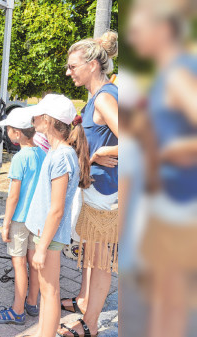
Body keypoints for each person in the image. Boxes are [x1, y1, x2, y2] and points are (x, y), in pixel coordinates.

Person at [127, 3, 197, 336]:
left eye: (139, 27)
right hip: (167, 206)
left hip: (179, 210)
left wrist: (175, 151)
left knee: (169, 304)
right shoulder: (168, 72)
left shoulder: (178, 73)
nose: (132, 34)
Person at [58, 31, 119, 337]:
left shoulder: (106, 97)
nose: (69, 72)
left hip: (104, 194)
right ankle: (87, 311)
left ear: (93, 64)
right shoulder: (99, 95)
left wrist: (102, 153)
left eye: (73, 66)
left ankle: (90, 326)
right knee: (94, 261)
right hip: (96, 190)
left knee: (100, 263)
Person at [24, 94, 91, 337]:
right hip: (45, 233)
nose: (34, 117)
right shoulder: (57, 151)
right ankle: (43, 331)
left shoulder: (62, 156)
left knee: (49, 291)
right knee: (45, 289)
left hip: (48, 235)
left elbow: (57, 208)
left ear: (49, 120)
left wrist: (41, 248)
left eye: (39, 114)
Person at [0, 106, 45, 325]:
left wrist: (5, 224)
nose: (7, 133)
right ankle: (32, 303)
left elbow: (13, 197)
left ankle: (17, 311)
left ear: (18, 133)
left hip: (20, 219)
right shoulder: (43, 153)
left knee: (19, 264)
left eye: (9, 129)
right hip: (37, 219)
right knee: (34, 263)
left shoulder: (20, 158)